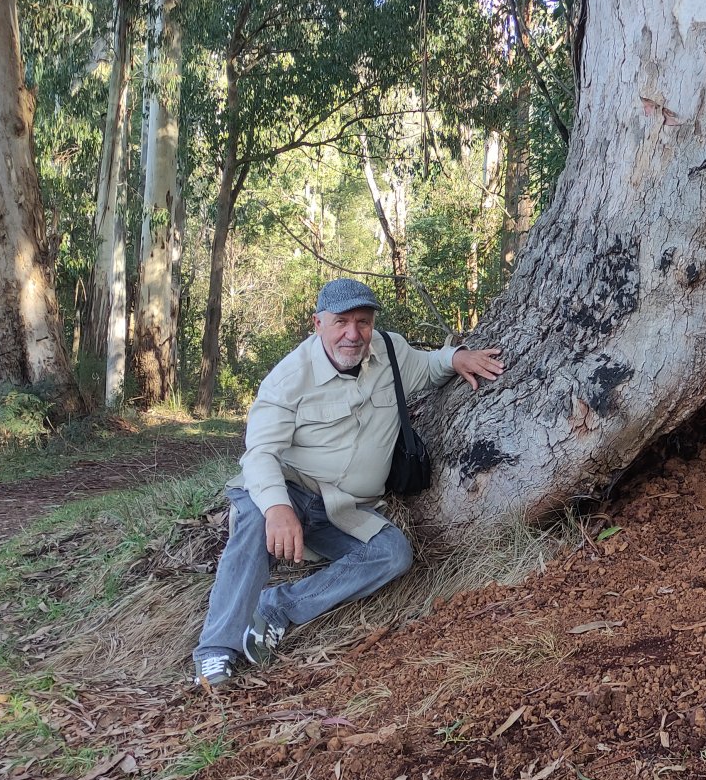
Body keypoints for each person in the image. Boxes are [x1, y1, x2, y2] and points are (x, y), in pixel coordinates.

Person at [193, 278, 504, 689]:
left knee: (392, 553)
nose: (353, 334)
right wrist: (278, 509)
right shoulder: (289, 378)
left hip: (342, 508)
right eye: (341, 322)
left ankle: (278, 607)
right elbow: (260, 454)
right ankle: (216, 649)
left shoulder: (389, 352)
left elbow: (428, 367)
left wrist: (457, 357)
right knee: (254, 518)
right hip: (291, 490)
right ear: (318, 324)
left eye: (363, 322)